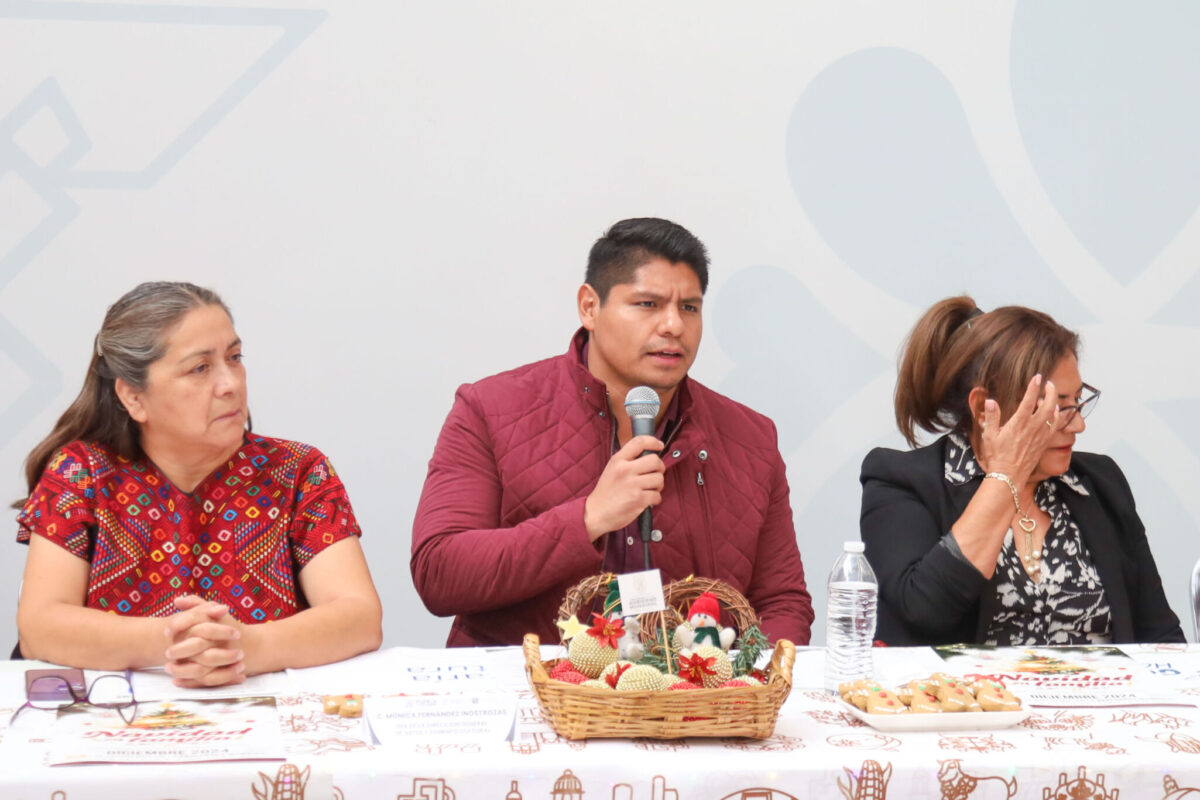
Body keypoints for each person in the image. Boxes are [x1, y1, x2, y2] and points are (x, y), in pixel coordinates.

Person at [411, 218, 813, 647]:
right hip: (529, 696)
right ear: (590, 307)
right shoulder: (490, 409)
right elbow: (440, 573)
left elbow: (781, 601)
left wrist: (738, 684)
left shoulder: (750, 437)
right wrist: (589, 518)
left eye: (689, 308)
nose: (674, 326)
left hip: (693, 705)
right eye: (647, 304)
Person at [15, 282, 382, 685]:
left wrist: (247, 647)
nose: (231, 384)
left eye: (235, 357)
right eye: (200, 368)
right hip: (125, 721)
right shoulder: (81, 472)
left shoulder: (296, 471)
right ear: (133, 397)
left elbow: (359, 617)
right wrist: (179, 640)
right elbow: (40, 627)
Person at [860, 296, 1183, 646]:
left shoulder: (1099, 483)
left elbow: (1161, 635)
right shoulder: (902, 481)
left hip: (1105, 698)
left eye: (1078, 401)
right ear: (985, 409)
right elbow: (924, 610)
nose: (1077, 426)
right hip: (972, 699)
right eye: (1057, 408)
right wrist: (1006, 476)